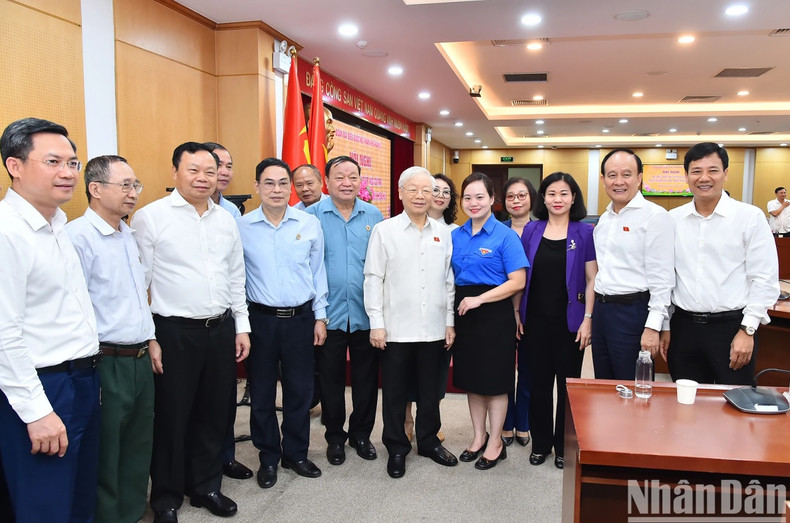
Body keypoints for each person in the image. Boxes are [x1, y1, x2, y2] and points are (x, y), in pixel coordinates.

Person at [131, 142, 250, 522]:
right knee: (172, 415)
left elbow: (236, 277)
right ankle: (165, 497)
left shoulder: (226, 219)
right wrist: (149, 336)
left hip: (220, 328)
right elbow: (139, 283)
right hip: (173, 331)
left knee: (216, 413)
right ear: (175, 172)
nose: (203, 178)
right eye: (193, 170)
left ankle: (206, 486)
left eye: (210, 172)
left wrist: (241, 326)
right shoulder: (150, 218)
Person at [0, 117, 101, 522]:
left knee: (78, 495)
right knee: (45, 504)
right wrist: (36, 411)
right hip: (41, 386)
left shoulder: (57, 224)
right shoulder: (8, 232)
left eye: (73, 163)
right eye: (54, 161)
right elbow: (4, 332)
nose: (68, 173)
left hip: (81, 378)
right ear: (15, 166)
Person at [66, 155, 158, 523]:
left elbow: (139, 295)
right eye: (125, 185)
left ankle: (134, 511)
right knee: (106, 448)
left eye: (135, 185)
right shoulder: (78, 238)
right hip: (105, 360)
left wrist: (151, 339)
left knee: (138, 442)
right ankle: (107, 517)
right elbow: (77, 309)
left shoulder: (128, 234)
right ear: (95, 189)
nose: (133, 193)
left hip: (139, 356)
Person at [237, 158, 328, 489]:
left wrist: (320, 316)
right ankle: (269, 457)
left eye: (282, 183)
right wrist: (240, 325)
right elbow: (237, 278)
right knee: (261, 392)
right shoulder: (243, 227)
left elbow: (318, 272)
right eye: (269, 183)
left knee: (300, 391)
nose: (277, 189)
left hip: (301, 320)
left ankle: (296, 453)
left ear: (291, 188)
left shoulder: (308, 223)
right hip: (260, 320)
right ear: (257, 186)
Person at [364, 167, 457, 479]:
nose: (420, 196)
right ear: (400, 192)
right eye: (413, 189)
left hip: (433, 328)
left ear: (434, 196)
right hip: (395, 329)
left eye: (426, 190)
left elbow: (449, 282)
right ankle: (397, 447)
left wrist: (448, 321)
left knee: (431, 392)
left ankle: (428, 442)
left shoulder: (444, 233)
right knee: (394, 393)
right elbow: (373, 279)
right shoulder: (384, 231)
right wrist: (376, 322)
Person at [660, 143, 779, 385]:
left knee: (734, 408)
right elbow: (665, 278)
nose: (704, 178)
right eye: (696, 171)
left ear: (725, 173)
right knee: (686, 408)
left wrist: (748, 331)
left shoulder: (749, 217)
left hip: (731, 328)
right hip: (684, 328)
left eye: (712, 170)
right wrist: (665, 325)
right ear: (686, 176)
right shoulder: (673, 220)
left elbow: (764, 278)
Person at [304, 155, 383, 467]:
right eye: (340, 177)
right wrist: (317, 315)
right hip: (329, 315)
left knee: (366, 379)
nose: (347, 183)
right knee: (330, 380)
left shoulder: (374, 215)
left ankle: (361, 434)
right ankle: (335, 437)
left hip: (366, 314)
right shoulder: (312, 217)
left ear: (360, 181)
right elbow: (309, 269)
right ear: (327, 182)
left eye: (353, 177)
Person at [451, 172, 527, 471]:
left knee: (495, 383)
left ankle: (496, 441)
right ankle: (478, 436)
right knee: (472, 381)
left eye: (480, 196)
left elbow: (518, 281)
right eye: (467, 197)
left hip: (494, 314)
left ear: (493, 200)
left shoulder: (505, 235)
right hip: (465, 314)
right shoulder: (455, 235)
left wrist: (481, 299)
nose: (473, 202)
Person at [520, 172, 596, 470]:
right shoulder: (531, 229)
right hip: (534, 321)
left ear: (573, 197)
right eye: (551, 193)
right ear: (543, 197)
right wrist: (516, 313)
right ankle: (541, 444)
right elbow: (521, 276)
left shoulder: (585, 232)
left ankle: (564, 446)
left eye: (564, 193)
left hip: (571, 323)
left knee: (567, 387)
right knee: (538, 384)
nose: (557, 199)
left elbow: (592, 279)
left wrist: (588, 319)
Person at [591, 149, 674, 381]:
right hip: (602, 311)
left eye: (626, 175)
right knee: (604, 383)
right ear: (603, 180)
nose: (619, 182)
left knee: (633, 384)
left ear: (639, 178)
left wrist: (654, 326)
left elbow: (663, 278)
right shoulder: (604, 219)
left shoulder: (655, 216)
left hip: (633, 312)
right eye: (612, 175)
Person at [203, 141, 253, 481]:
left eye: (227, 165)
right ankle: (200, 465)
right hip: (186, 323)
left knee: (224, 393)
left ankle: (225, 456)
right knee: (198, 401)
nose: (223, 172)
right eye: (215, 165)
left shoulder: (232, 214)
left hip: (227, 317)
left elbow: (237, 270)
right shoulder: (160, 215)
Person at [404, 173, 458, 442]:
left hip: (439, 315)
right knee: (406, 372)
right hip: (406, 315)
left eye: (445, 192)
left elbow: (451, 278)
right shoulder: (400, 226)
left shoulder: (455, 232)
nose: (439, 195)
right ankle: (407, 418)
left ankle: (430, 422)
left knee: (434, 373)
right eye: (434, 189)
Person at [500, 176, 537, 448]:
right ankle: (505, 421)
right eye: (511, 196)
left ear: (532, 198)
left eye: (522, 195)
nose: (516, 201)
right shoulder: (498, 231)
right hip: (501, 309)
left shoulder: (544, 230)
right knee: (501, 370)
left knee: (528, 370)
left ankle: (523, 422)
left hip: (534, 310)